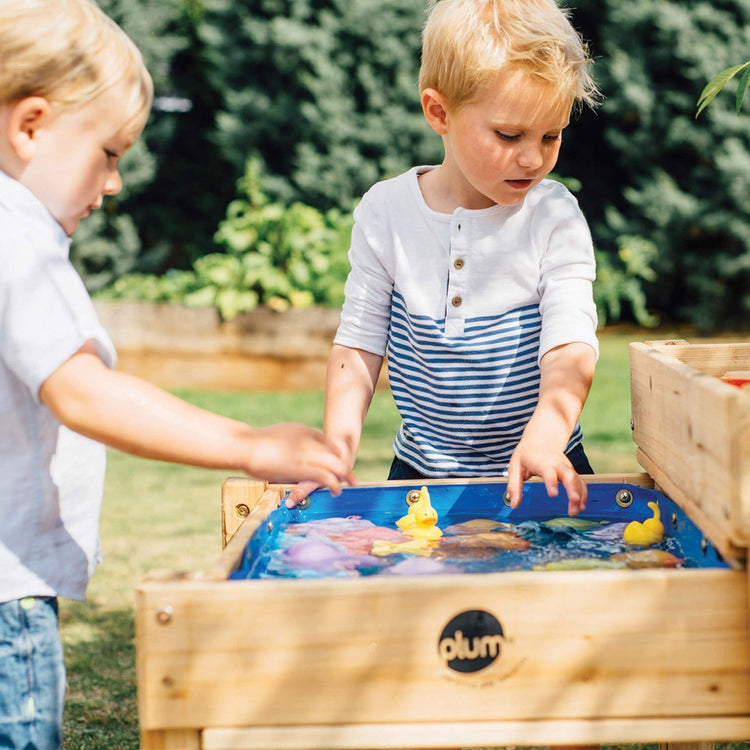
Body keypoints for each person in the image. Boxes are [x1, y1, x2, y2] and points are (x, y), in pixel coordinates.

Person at [0, 1, 354, 747]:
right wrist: (250, 444)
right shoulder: (19, 240)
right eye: (108, 152)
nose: (116, 182)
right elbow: (84, 392)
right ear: (29, 127)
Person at [288, 0, 600, 519]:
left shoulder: (554, 215)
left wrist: (547, 435)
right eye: (509, 135)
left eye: (551, 135)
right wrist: (336, 449)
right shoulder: (386, 213)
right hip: (420, 475)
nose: (533, 157)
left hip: (542, 465)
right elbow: (360, 343)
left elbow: (571, 341)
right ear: (439, 112)